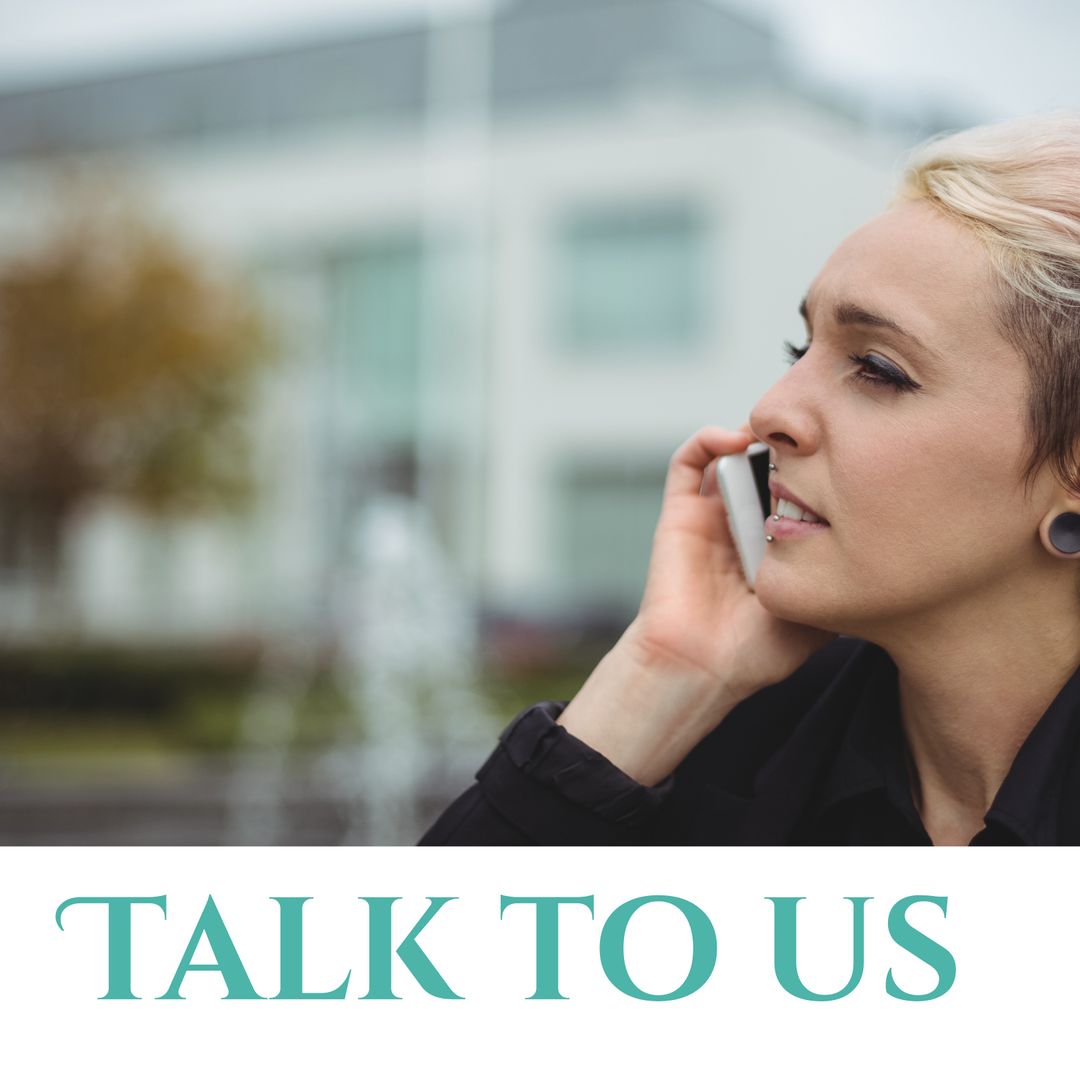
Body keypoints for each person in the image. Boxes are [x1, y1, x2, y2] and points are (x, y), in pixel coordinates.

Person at [419, 112, 1080, 847]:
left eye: (878, 369)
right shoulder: (743, 731)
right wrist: (662, 676)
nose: (772, 411)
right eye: (800, 347)